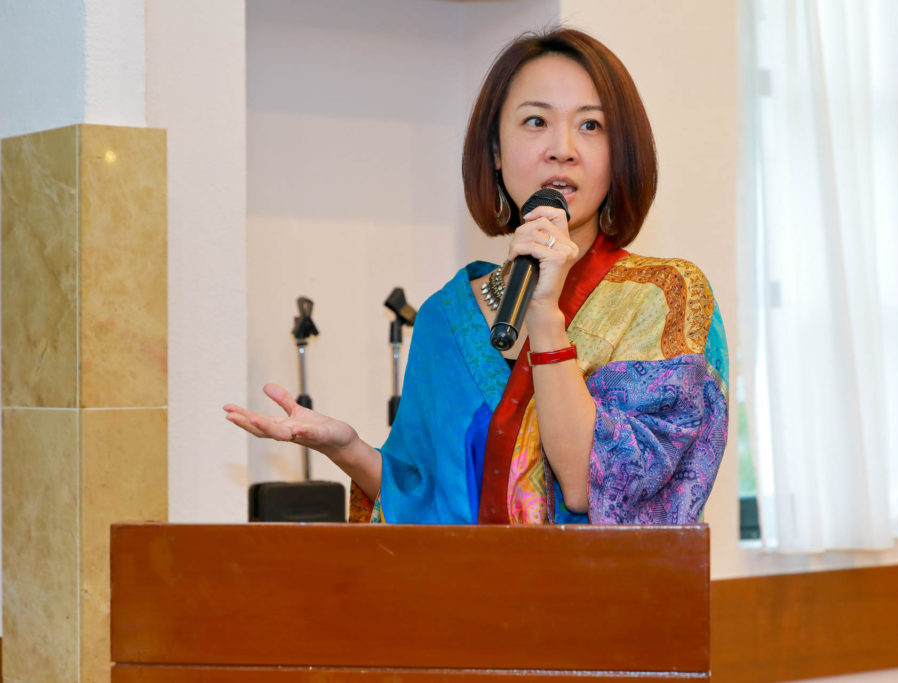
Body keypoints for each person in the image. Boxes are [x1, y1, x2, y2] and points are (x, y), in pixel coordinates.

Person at [224, 28, 728, 525]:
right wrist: (348, 449)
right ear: (495, 152)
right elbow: (426, 504)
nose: (563, 148)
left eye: (591, 125)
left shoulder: (665, 299)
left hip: (598, 584)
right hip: (469, 584)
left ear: (620, 154)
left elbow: (588, 486)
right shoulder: (448, 316)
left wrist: (544, 316)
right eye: (536, 121)